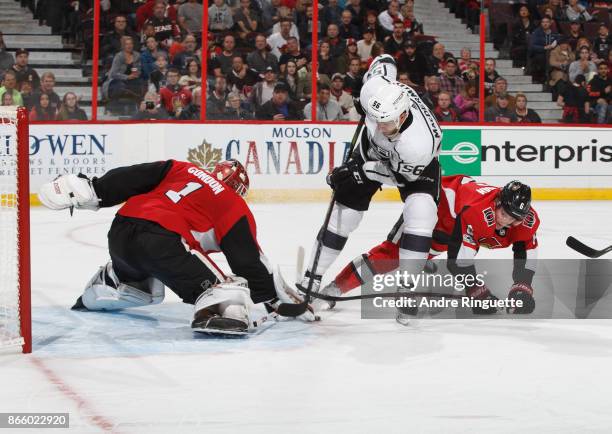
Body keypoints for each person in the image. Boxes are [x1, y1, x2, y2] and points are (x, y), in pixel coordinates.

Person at [38, 159, 314, 335]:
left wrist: (96, 190)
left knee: (146, 290)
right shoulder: (233, 204)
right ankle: (215, 313)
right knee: (229, 295)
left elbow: (133, 176)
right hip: (163, 243)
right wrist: (276, 300)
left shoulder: (183, 168)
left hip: (121, 231)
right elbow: (248, 261)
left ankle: (110, 283)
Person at [299, 54, 442, 298]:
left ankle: (408, 288)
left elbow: (399, 177)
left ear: (403, 116)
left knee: (421, 213)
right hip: (369, 152)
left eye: (385, 122)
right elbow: (385, 60)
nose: (378, 126)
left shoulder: (419, 145)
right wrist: (361, 88)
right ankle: (311, 279)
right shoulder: (374, 91)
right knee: (343, 216)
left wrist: (359, 171)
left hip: (411, 170)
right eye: (375, 119)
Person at [317, 176, 539, 317]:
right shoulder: (478, 212)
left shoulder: (524, 220)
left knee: (421, 259)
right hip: (430, 211)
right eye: (504, 214)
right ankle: (335, 288)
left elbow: (526, 251)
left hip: (451, 229)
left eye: (514, 218)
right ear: (497, 202)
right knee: (389, 256)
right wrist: (476, 291)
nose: (507, 222)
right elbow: (459, 261)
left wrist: (523, 286)